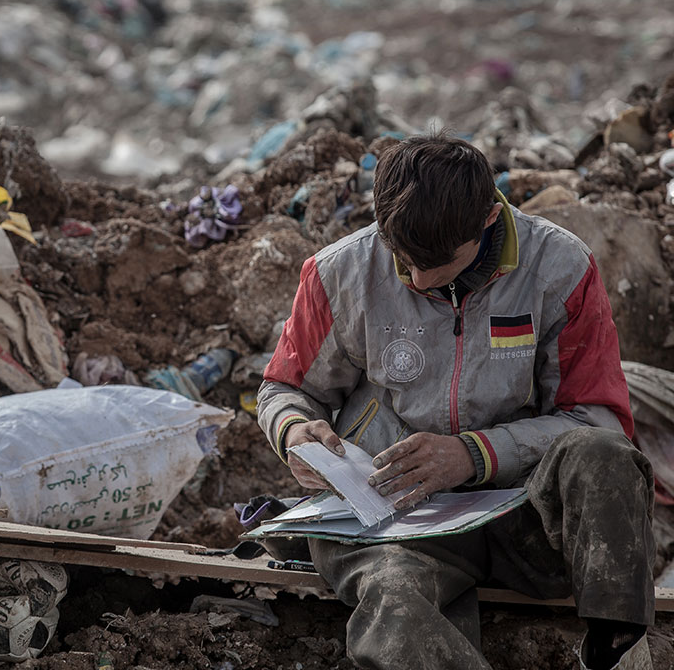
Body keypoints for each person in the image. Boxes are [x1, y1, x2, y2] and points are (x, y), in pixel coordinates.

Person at [256, 135, 655, 670]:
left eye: (437, 263)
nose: (418, 279)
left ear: (489, 220)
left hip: (524, 518)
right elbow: (285, 388)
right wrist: (295, 431)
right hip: (390, 527)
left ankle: (615, 649)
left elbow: (599, 420)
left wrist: (474, 454)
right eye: (402, 259)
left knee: (604, 456)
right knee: (394, 604)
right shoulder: (340, 273)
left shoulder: (560, 269)